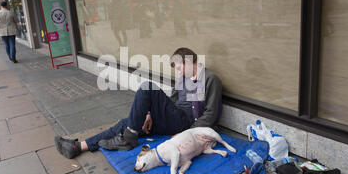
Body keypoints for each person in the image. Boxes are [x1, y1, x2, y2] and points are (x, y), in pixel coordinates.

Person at [54, 47, 224, 159]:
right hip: (173, 117)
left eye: (179, 68)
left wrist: (186, 133)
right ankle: (78, 147)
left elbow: (210, 115)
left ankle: (128, 139)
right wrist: (149, 114)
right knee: (126, 123)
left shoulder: (210, 79)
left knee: (147, 87)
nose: (179, 72)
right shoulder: (184, 78)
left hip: (186, 123)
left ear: (187, 62)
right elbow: (172, 101)